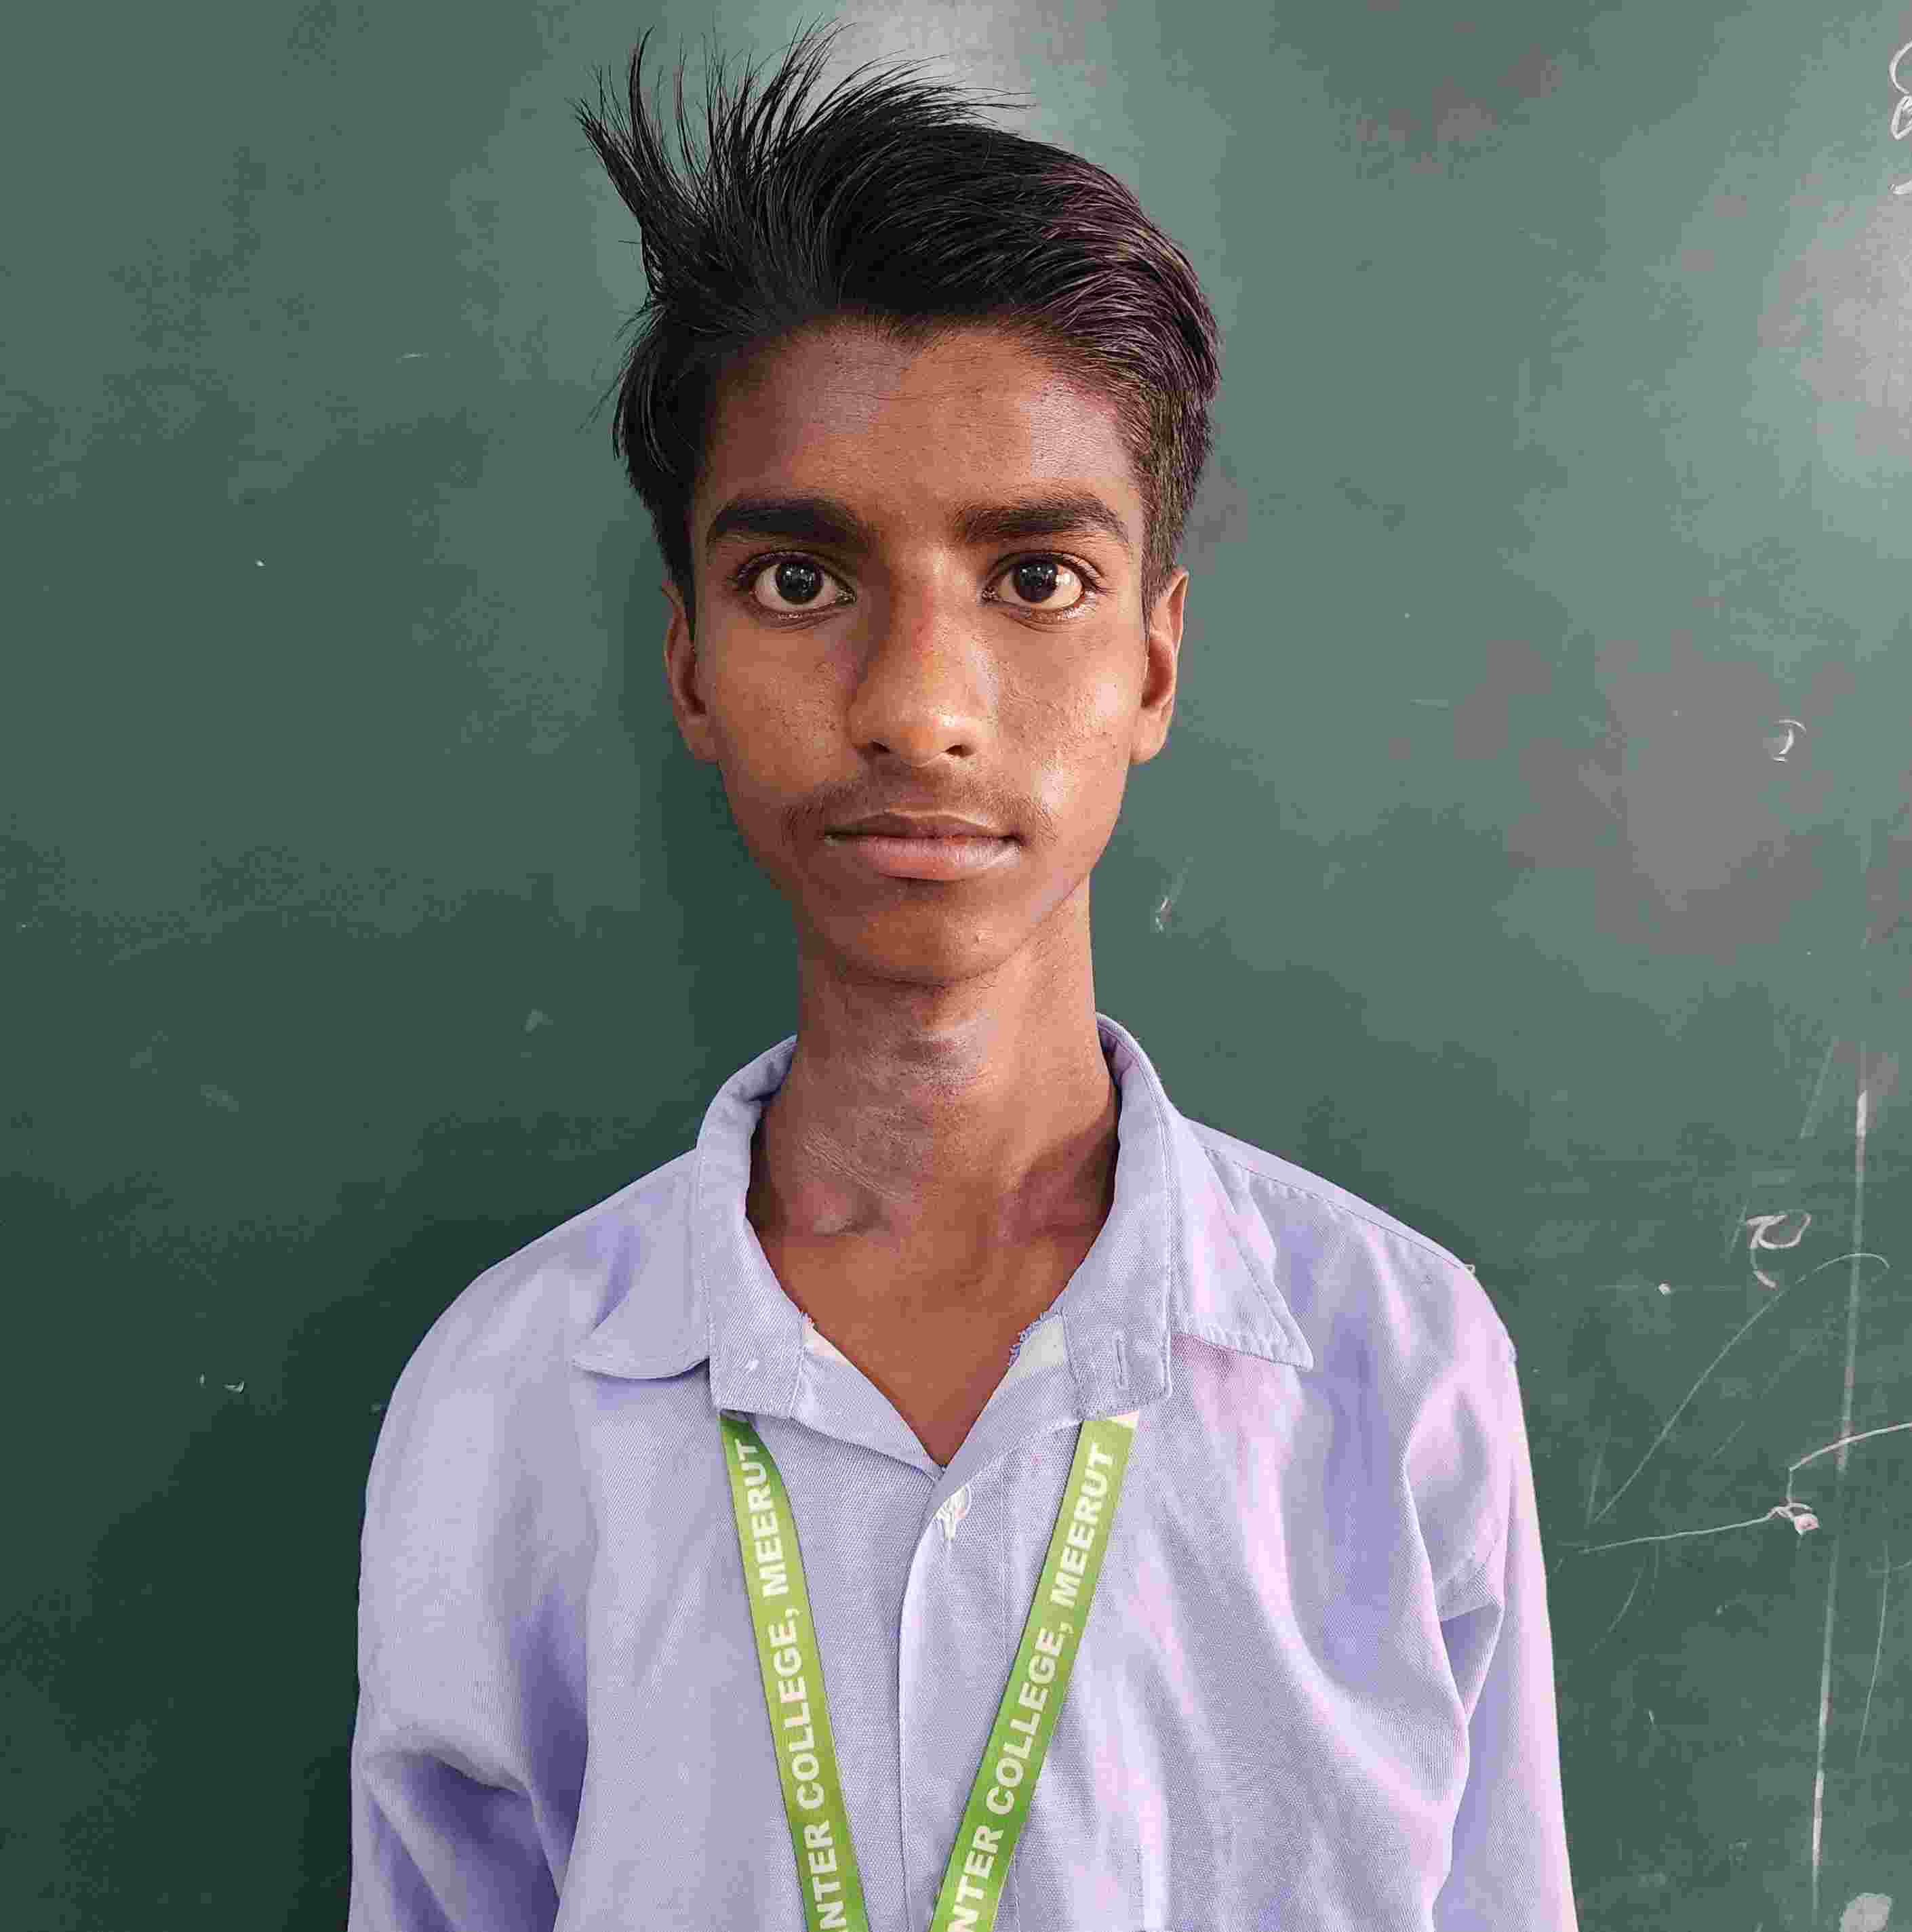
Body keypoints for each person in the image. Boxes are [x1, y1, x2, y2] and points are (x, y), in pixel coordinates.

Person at [348, 18, 1578, 1929]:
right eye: (799, 580)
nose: (919, 710)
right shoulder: (511, 1397)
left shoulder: (1394, 1369)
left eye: (1034, 578)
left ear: (1154, 659)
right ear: (686, 663)